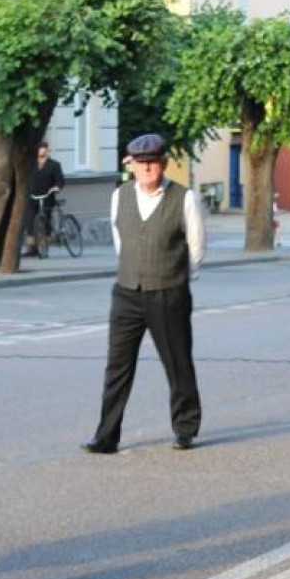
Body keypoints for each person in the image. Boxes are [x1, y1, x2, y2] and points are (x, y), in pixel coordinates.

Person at [82, 133, 205, 453]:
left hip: (168, 291)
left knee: (177, 361)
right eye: (141, 163)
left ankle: (185, 427)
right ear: (132, 165)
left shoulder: (184, 198)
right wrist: (135, 269)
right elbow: (121, 239)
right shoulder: (119, 196)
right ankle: (106, 435)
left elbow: (196, 248)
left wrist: (174, 277)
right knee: (117, 366)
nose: (148, 168)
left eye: (153, 162)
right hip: (126, 292)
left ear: (163, 163)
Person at [24, 141, 65, 257]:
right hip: (33, 196)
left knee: (45, 220)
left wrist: (57, 187)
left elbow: (60, 180)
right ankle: (32, 248)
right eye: (40, 149)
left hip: (47, 196)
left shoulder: (54, 165)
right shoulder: (32, 164)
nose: (42, 151)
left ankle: (44, 247)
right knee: (29, 219)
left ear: (47, 150)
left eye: (44, 149)